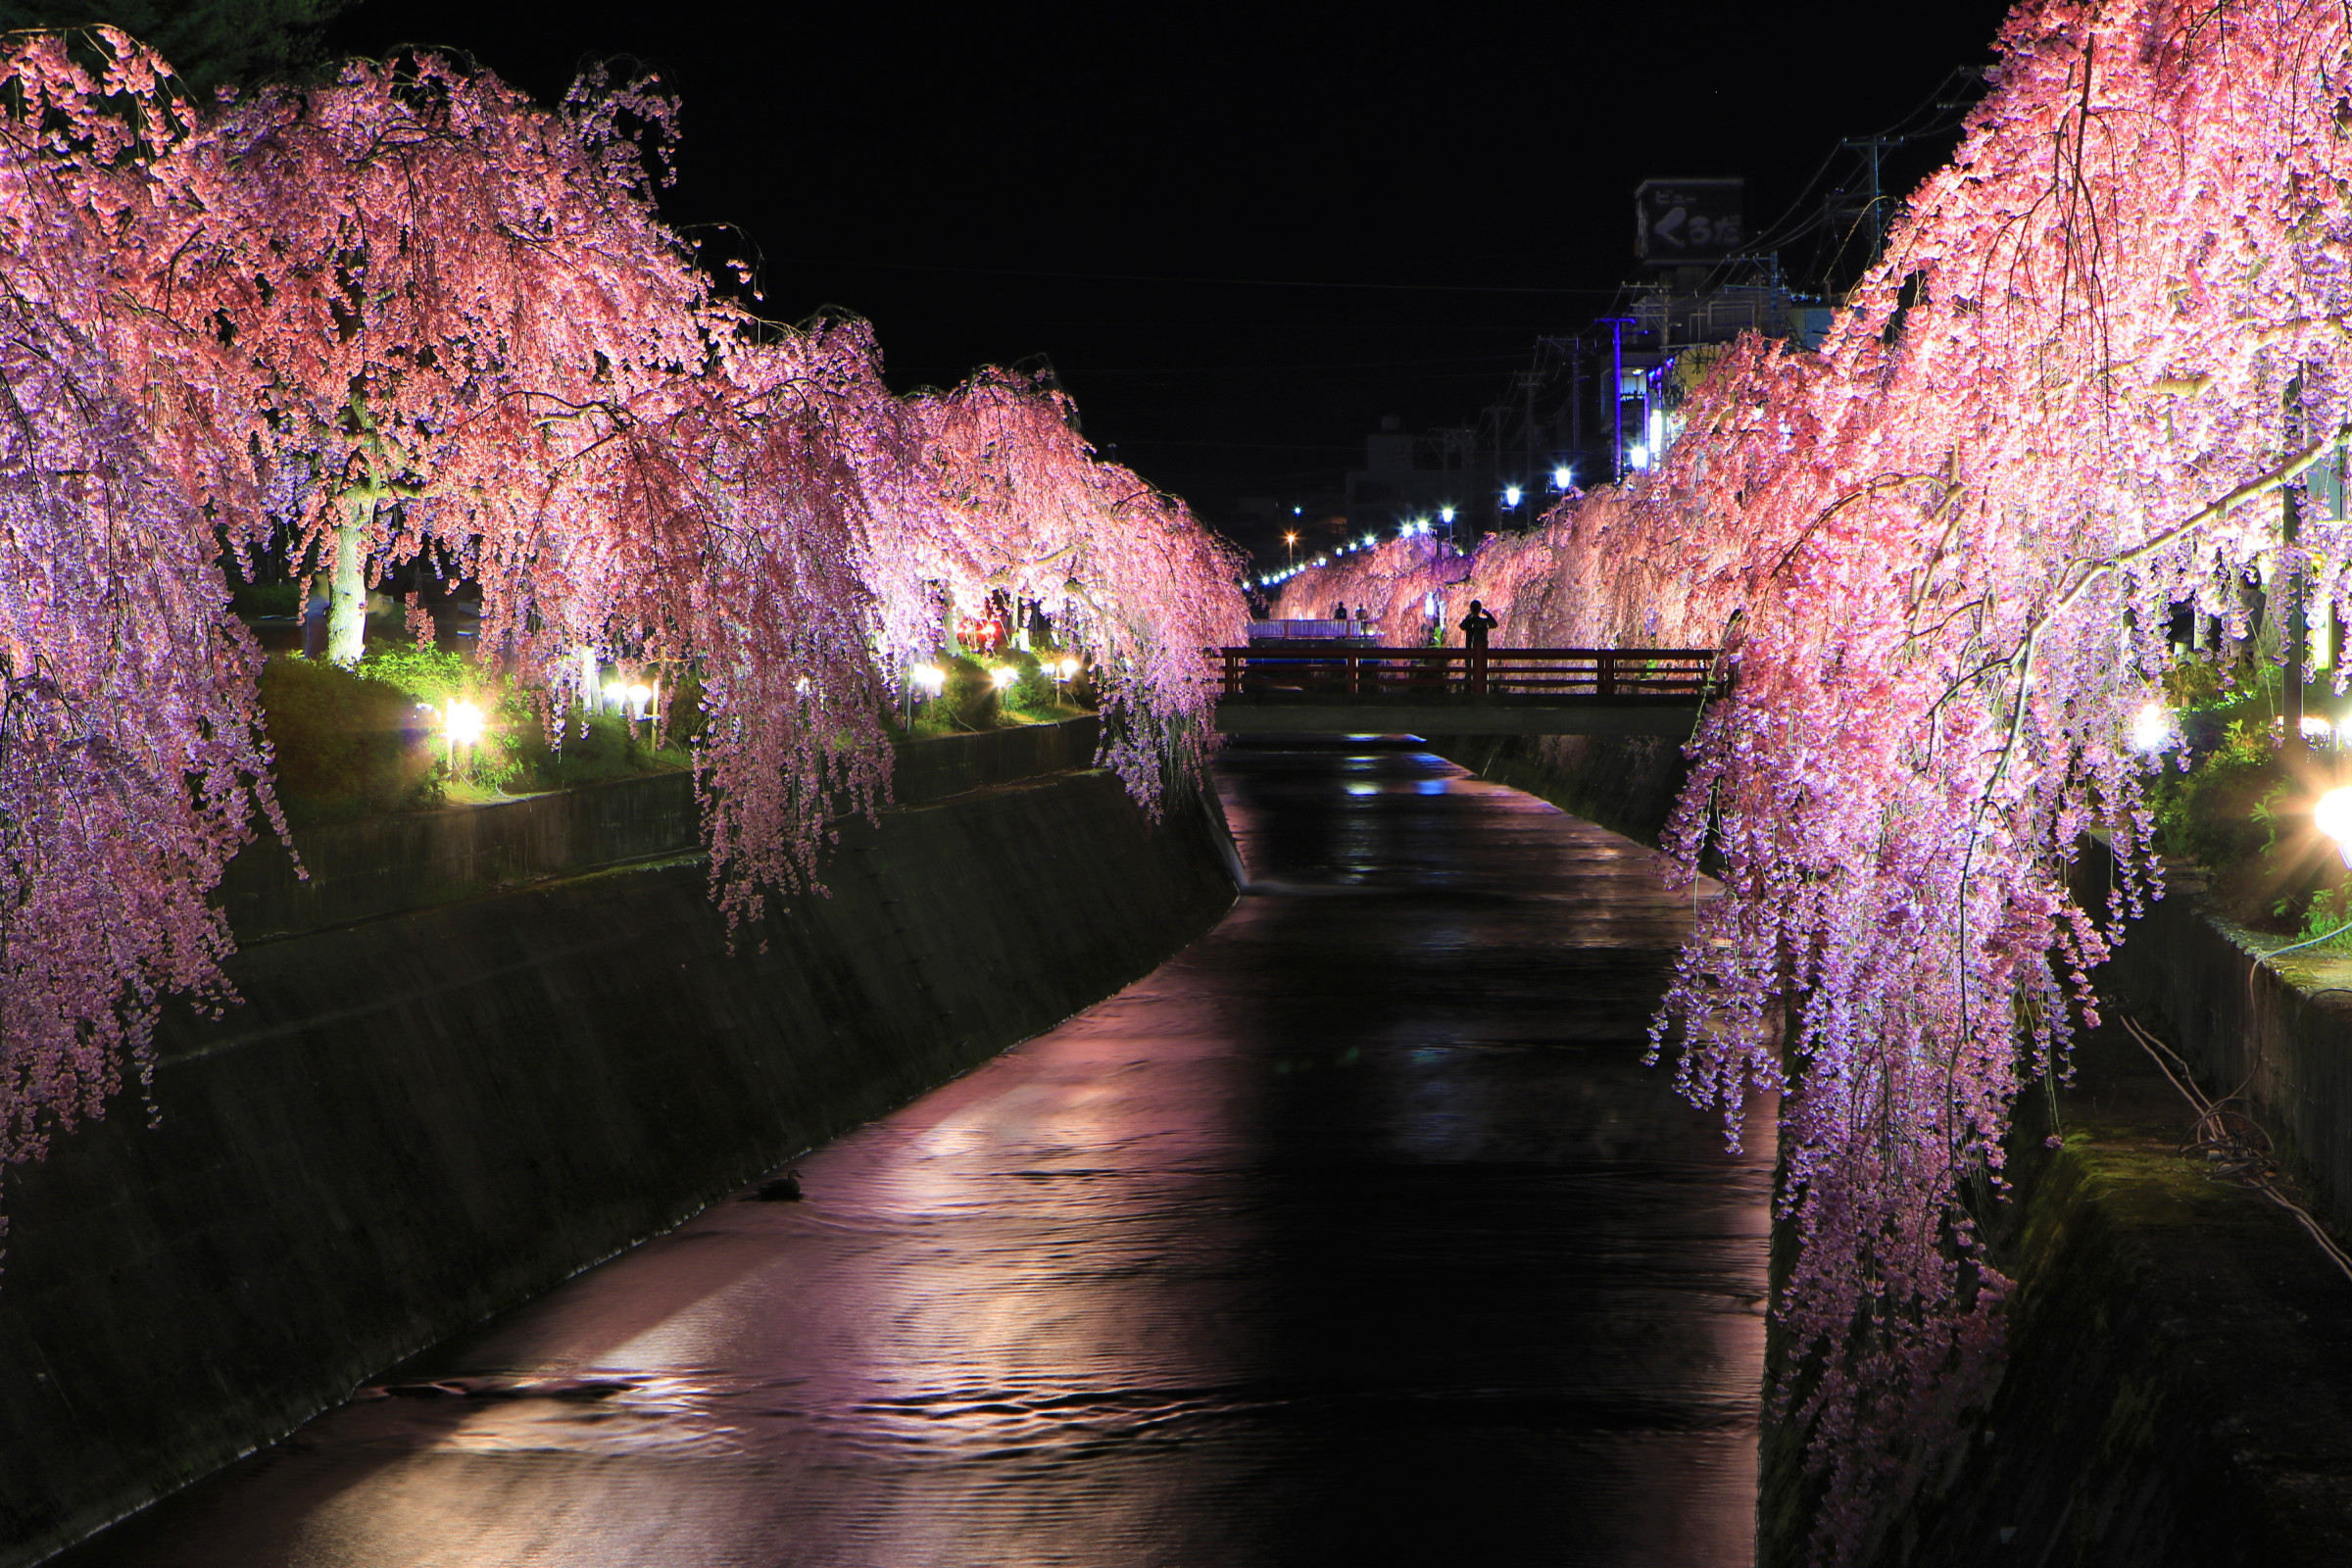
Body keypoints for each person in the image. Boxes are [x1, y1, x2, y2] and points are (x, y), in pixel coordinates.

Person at [1459, 599, 1498, 692]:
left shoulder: (1470, 621)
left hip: (1470, 648)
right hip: (1481, 649)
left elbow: (1462, 626)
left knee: (1469, 670)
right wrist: (1487, 614)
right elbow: (1494, 624)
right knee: (1481, 670)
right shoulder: (1482, 621)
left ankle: (1468, 690)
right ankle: (1480, 689)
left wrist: (1469, 617)